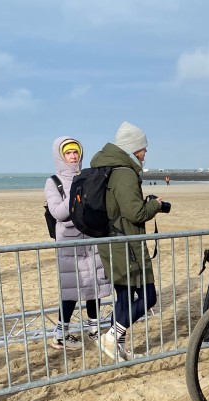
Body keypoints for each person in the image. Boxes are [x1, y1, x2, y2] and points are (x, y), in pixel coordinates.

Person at [89, 122, 170, 362]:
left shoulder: (109, 167)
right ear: (133, 148)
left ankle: (118, 348)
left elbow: (124, 208)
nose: (146, 153)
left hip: (113, 242)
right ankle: (112, 336)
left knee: (124, 299)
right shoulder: (124, 172)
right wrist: (155, 205)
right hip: (125, 245)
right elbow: (135, 213)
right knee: (149, 296)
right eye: (144, 148)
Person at [45, 136, 112, 350]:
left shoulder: (87, 176)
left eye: (76, 153)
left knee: (95, 286)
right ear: (60, 156)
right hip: (70, 243)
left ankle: (94, 330)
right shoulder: (52, 181)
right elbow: (57, 213)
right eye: (68, 153)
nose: (73, 157)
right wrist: (76, 192)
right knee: (72, 289)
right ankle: (60, 334)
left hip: (91, 238)